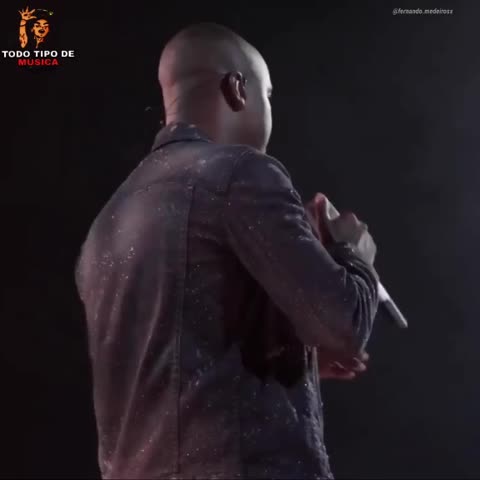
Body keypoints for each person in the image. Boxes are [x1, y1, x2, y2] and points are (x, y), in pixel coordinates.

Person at [74, 23, 379, 480]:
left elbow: (173, 364)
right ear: (237, 88)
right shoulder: (241, 173)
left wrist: (298, 359)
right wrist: (351, 253)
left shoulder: (105, 224)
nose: (270, 110)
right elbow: (343, 326)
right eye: (268, 94)